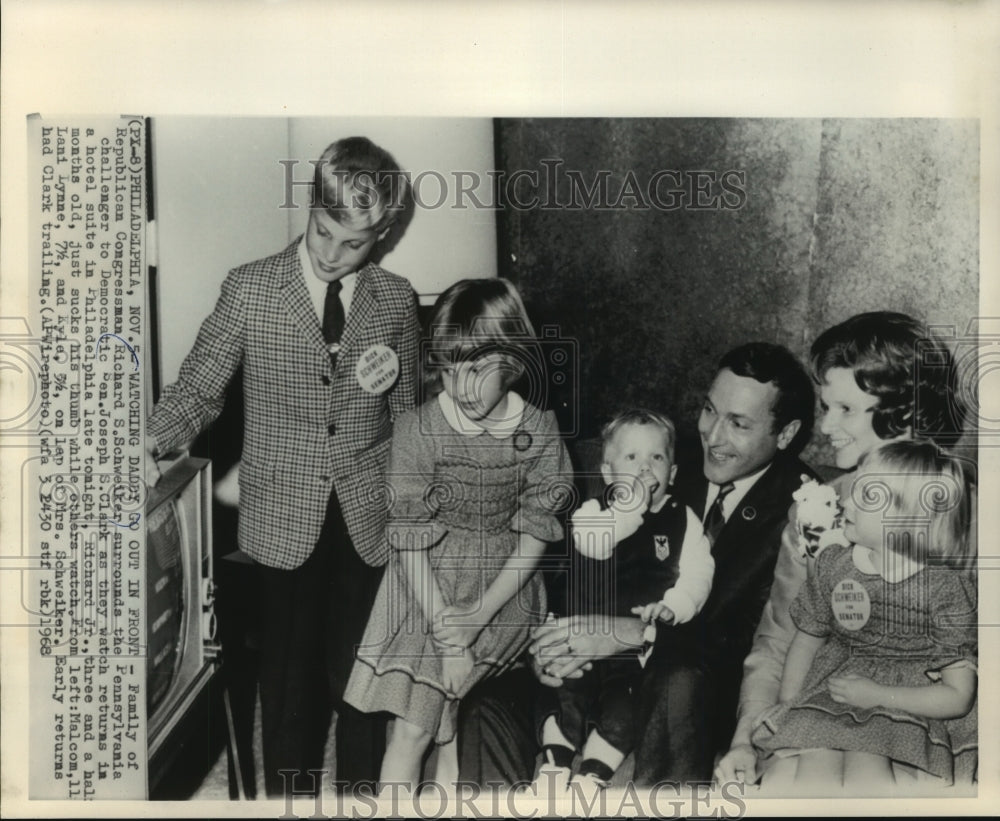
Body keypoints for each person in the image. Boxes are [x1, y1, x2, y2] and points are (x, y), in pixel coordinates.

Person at [145, 137, 419, 796]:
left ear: (381, 235)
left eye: (351, 244)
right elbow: (199, 387)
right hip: (280, 517)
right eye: (323, 231)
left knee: (358, 679)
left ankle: (360, 800)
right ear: (311, 208)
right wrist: (146, 446)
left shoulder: (396, 299)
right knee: (289, 686)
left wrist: (420, 512)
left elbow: (408, 416)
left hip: (367, 515)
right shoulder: (251, 289)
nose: (330, 253)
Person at [459, 341, 816, 786]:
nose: (713, 435)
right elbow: (582, 560)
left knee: (677, 679)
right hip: (597, 669)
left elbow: (758, 641)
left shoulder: (805, 507)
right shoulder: (658, 459)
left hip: (696, 687)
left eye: (738, 424)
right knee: (487, 705)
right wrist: (553, 641)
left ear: (784, 434)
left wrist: (630, 635)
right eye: (709, 410)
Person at [715, 311, 969, 789]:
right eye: (826, 406)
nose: (825, 426)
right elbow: (778, 641)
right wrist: (746, 740)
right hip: (818, 718)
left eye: (846, 409)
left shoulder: (965, 508)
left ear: (907, 411)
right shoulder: (819, 505)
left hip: (928, 733)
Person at [342, 278, 573, 793]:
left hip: (502, 590)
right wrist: (449, 632)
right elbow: (407, 538)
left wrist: (475, 619)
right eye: (448, 369)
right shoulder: (417, 428)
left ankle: (450, 781)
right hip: (423, 585)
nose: (460, 387)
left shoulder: (538, 429)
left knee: (457, 726)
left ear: (514, 361)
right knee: (412, 726)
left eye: (475, 369)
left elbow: (536, 533)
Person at [751, 440, 977, 793]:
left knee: (866, 772)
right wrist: (789, 706)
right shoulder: (834, 564)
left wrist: (878, 695)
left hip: (902, 708)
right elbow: (806, 640)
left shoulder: (945, 590)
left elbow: (958, 695)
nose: (846, 501)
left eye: (865, 496)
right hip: (830, 697)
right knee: (812, 766)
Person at [531, 408, 714, 796]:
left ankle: (591, 776)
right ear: (608, 474)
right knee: (564, 696)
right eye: (632, 458)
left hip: (635, 656)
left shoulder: (685, 521)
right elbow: (595, 546)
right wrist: (629, 508)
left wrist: (674, 605)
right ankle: (554, 767)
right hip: (579, 646)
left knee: (625, 712)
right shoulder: (593, 514)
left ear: (674, 474)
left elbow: (699, 576)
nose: (645, 468)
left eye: (657, 458)